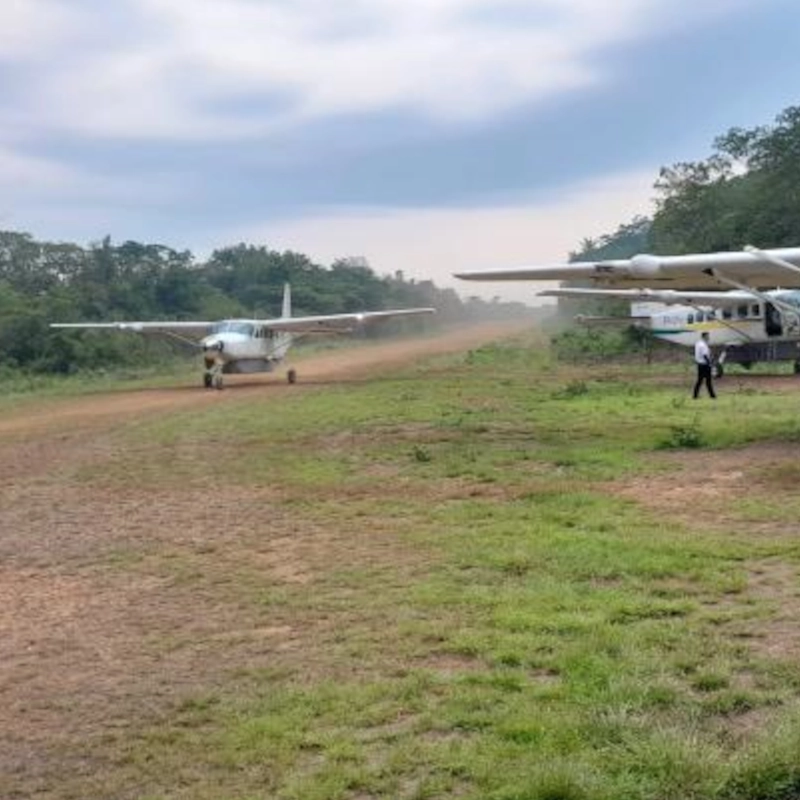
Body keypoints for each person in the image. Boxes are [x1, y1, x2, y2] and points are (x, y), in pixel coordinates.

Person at [693, 331, 716, 399]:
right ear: (704, 336)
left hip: (699, 364)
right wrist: (710, 363)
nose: (709, 337)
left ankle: (695, 395)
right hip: (704, 364)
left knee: (700, 380)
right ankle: (712, 395)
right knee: (708, 381)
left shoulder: (698, 343)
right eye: (707, 336)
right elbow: (705, 355)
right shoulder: (703, 345)